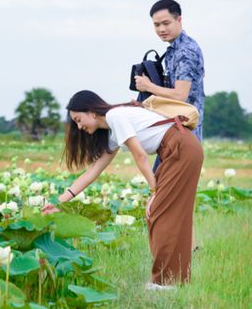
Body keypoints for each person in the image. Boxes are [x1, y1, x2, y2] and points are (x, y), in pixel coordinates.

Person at [55, 90, 203, 288]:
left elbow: (140, 156)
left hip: (180, 148)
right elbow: (93, 172)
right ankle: (173, 280)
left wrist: (154, 191)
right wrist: (59, 202)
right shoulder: (113, 130)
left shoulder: (115, 116)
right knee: (164, 214)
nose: (79, 127)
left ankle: (165, 283)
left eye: (79, 120)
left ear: (91, 111)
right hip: (178, 148)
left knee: (161, 213)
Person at [134, 0, 205, 142]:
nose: (161, 29)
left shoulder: (186, 52)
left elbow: (180, 95)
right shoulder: (175, 50)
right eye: (157, 25)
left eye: (166, 23)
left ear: (179, 20)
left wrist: (149, 86)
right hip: (174, 130)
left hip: (185, 135)